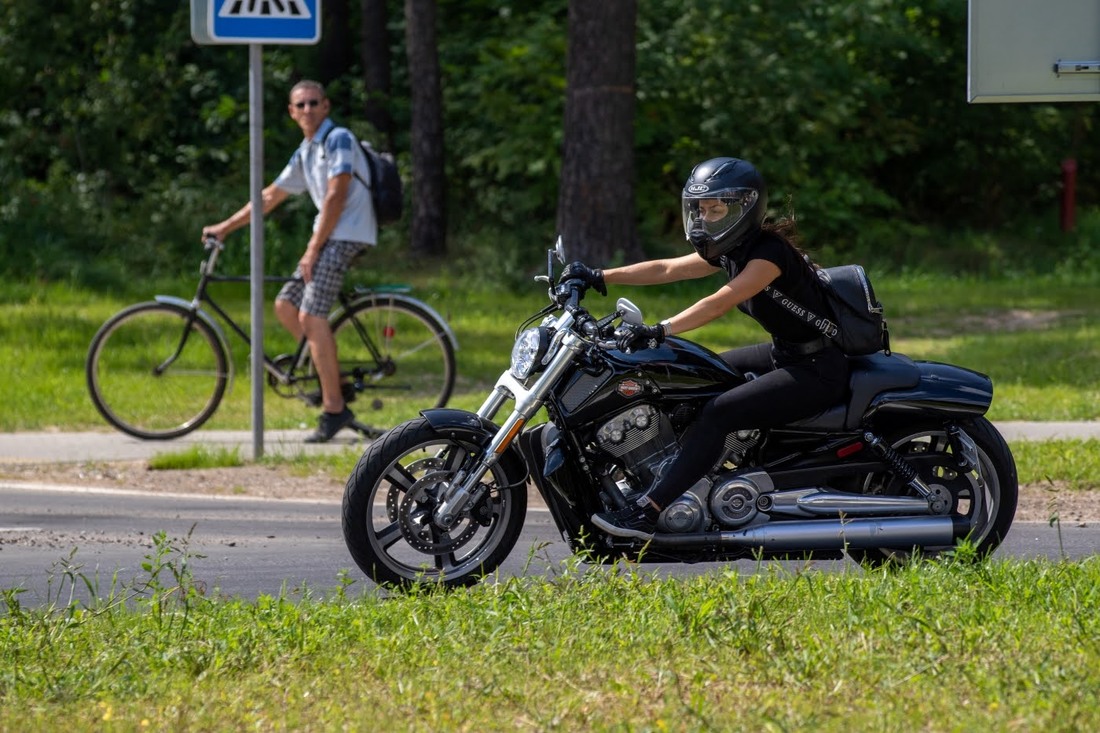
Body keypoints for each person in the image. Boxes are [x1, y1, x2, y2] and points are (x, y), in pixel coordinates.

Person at [560, 156, 850, 539]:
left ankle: (649, 512)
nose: (705, 219)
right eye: (700, 210)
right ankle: (687, 477)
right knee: (695, 382)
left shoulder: (768, 255)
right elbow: (667, 269)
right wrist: (598, 275)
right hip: (787, 353)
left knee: (718, 412)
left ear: (745, 208)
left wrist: (660, 330)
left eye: (716, 210)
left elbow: (720, 301)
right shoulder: (734, 248)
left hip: (818, 369)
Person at [202, 80, 377, 443]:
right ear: (292, 112)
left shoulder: (338, 138)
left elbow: (336, 193)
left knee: (311, 317)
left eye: (315, 102)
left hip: (346, 235)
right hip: (327, 237)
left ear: (326, 106)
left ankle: (334, 409)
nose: (309, 109)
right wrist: (225, 227)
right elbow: (269, 197)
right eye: (301, 105)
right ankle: (335, 381)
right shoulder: (306, 151)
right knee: (285, 305)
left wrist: (313, 248)